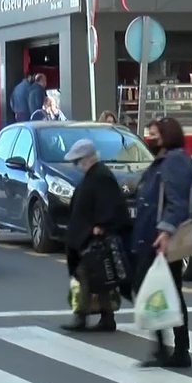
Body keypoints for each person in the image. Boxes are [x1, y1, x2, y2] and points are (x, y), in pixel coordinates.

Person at [132, 117, 192, 368]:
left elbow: (177, 201)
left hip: (159, 239)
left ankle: (176, 350)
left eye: (155, 135)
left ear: (167, 136)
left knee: (165, 291)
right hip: (151, 236)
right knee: (162, 291)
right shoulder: (165, 159)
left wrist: (166, 232)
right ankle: (167, 347)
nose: (150, 138)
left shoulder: (176, 160)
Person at [61, 138, 132, 333]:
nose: (76, 164)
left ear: (87, 159)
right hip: (89, 235)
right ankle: (107, 317)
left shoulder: (100, 176)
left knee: (86, 273)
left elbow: (109, 204)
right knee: (99, 278)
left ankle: (81, 316)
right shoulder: (95, 175)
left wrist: (101, 225)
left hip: (95, 237)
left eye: (78, 160)